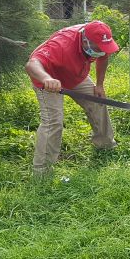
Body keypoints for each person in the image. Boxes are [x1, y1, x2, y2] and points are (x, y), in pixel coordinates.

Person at [25, 20, 120, 179]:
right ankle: (41, 173)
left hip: (75, 75)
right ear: (85, 41)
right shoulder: (61, 45)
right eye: (97, 49)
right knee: (53, 121)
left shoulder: (98, 41)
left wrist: (99, 85)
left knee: (98, 101)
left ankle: (105, 147)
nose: (101, 51)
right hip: (48, 79)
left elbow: (103, 57)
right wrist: (47, 78)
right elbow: (31, 64)